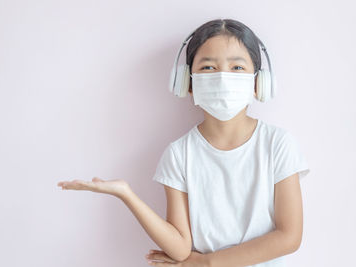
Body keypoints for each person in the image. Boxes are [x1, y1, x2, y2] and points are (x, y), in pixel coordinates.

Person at [57, 18, 310, 267]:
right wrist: (126, 194)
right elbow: (179, 248)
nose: (223, 77)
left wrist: (207, 263)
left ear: (258, 82)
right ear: (187, 82)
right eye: (209, 67)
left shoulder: (278, 144)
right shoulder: (179, 154)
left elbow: (289, 237)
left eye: (237, 68)